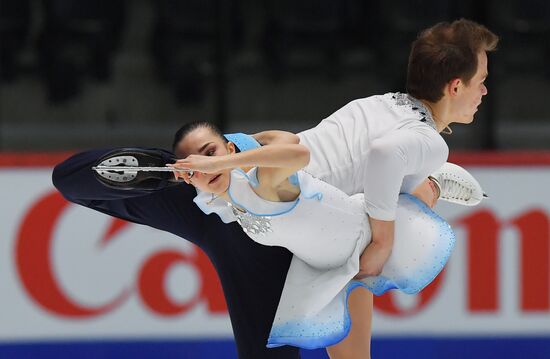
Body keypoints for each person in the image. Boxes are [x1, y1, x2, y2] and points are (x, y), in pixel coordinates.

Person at [53, 18, 497, 359]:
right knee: (381, 241)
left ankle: (165, 169)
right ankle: (436, 190)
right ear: (454, 86)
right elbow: (377, 177)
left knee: (72, 179)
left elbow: (322, 157)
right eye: (480, 81)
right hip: (274, 230)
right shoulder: (425, 143)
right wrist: (384, 239)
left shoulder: (377, 104)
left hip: (228, 190)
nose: (485, 91)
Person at [168, 120, 457, 350]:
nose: (207, 165)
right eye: (198, 164)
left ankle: (435, 182)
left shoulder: (262, 181)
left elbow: (299, 152)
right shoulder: (219, 199)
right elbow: (289, 139)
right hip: (330, 272)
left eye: (211, 152)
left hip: (363, 236)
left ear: (230, 151)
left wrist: (220, 162)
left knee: (416, 211)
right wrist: (221, 158)